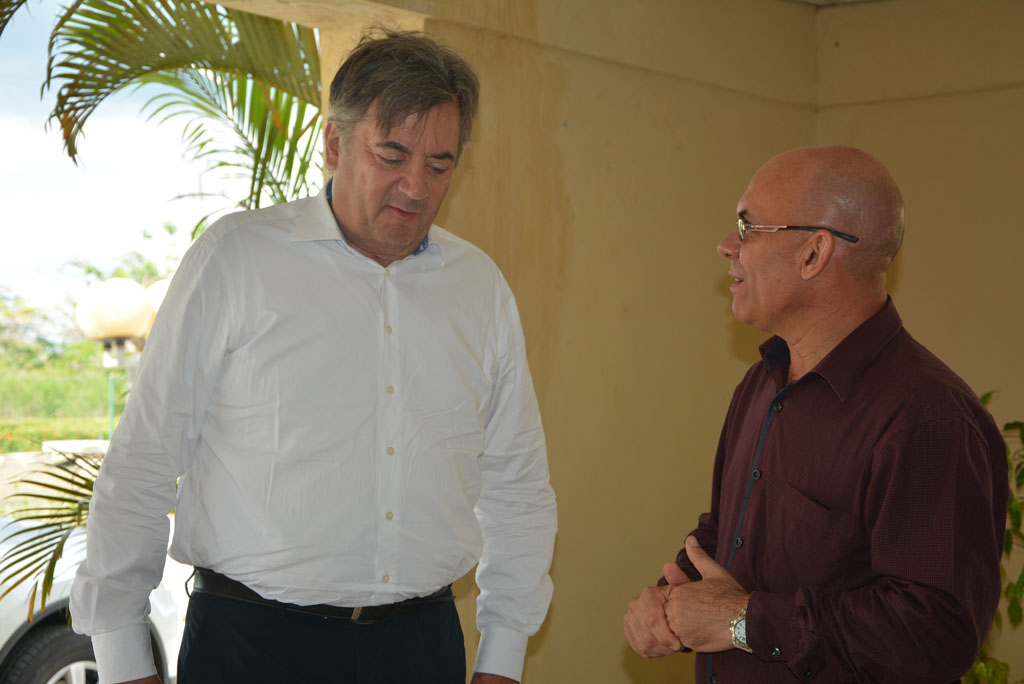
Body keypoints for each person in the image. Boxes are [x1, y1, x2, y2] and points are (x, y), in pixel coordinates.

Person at [71, 28, 556, 684]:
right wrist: (124, 661)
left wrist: (503, 659)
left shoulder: (480, 290)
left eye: (439, 165)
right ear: (334, 144)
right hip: (251, 646)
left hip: (422, 647)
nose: (416, 186)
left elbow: (516, 485)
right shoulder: (235, 260)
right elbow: (144, 462)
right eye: (392, 155)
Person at [623, 145, 1007, 683]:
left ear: (814, 253)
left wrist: (745, 621)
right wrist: (669, 599)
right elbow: (728, 534)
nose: (726, 245)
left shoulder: (928, 419)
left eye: (748, 226)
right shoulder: (762, 382)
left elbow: (934, 633)